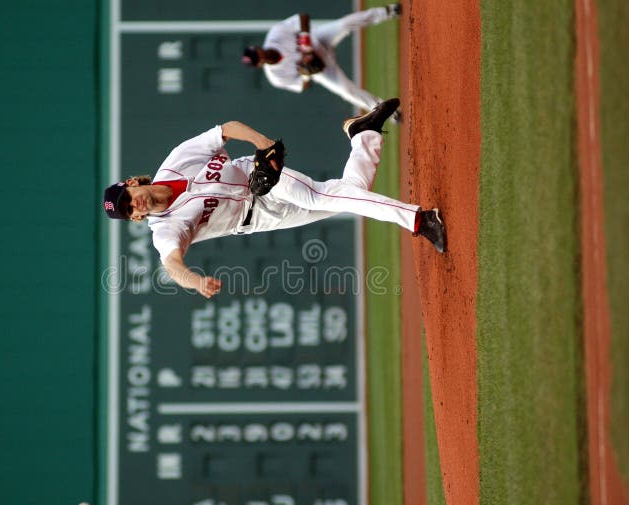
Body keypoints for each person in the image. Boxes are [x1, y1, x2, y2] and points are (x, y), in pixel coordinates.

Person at [102, 99, 445, 299]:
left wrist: (262, 144)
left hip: (261, 180)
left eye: (127, 198)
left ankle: (420, 220)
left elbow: (226, 129)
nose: (134, 206)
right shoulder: (164, 228)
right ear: (133, 219)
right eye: (128, 211)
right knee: (346, 195)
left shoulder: (176, 161)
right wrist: (195, 281)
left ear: (132, 183)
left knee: (321, 195)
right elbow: (171, 264)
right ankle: (363, 134)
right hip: (260, 220)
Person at [242, 6, 402, 116]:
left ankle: (387, 11)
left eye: (256, 53)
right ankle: (388, 111)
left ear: (257, 47)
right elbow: (302, 86)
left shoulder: (275, 34)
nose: (260, 56)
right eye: (257, 59)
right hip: (321, 69)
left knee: (345, 24)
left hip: (318, 40)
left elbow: (302, 17)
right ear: (258, 65)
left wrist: (305, 45)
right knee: (346, 92)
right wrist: (306, 73)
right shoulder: (276, 77)